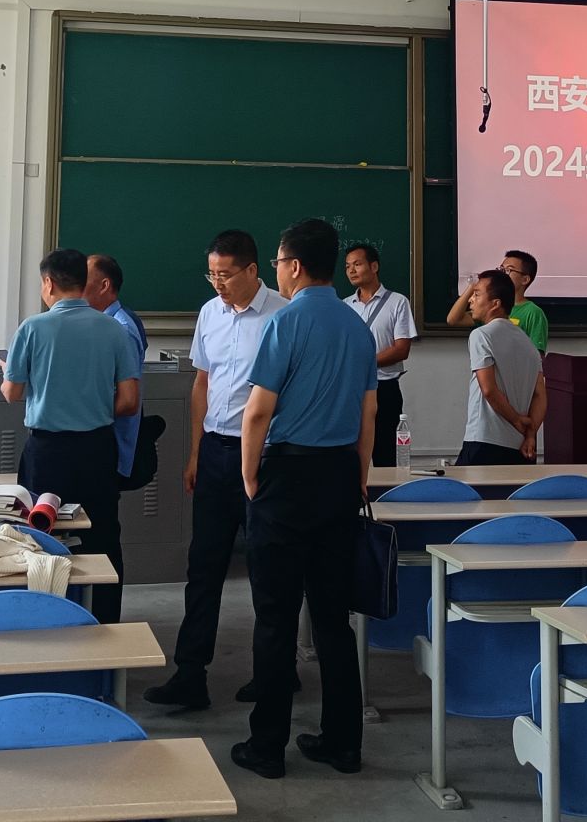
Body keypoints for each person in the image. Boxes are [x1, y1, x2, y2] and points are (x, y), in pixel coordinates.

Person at [230, 218, 377, 781]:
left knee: (275, 617)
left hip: (286, 478)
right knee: (334, 619)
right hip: (339, 476)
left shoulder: (285, 321)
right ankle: (344, 744)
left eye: (277, 262)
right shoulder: (357, 326)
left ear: (293, 265)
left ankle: (267, 747)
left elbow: (258, 412)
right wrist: (359, 475)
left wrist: (250, 477)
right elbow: (369, 413)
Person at [144, 228, 287, 712]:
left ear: (253, 270)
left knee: (267, 569)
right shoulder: (209, 313)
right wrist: (195, 452)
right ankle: (190, 674)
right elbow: (202, 384)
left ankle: (275, 673)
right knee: (203, 566)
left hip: (263, 455)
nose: (218, 283)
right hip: (215, 453)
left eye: (226, 274)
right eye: (212, 274)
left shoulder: (282, 315)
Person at [3, 247, 142, 624]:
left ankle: (44, 621)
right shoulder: (113, 329)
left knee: (41, 537)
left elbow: (12, 392)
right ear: (83, 282)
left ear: (48, 283)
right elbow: (129, 400)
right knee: (102, 538)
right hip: (97, 449)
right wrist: (91, 405)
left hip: (47, 453)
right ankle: (106, 624)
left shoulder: (32, 328)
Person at [458, 268, 545, 466]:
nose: (470, 300)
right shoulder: (528, 344)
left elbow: (488, 389)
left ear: (495, 304)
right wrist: (530, 434)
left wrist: (515, 419)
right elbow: (540, 395)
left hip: (484, 439)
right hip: (519, 445)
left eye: (477, 294)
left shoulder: (481, 335)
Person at [344, 241, 416, 466]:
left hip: (384, 389)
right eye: (347, 266)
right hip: (352, 389)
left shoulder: (397, 302)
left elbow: (401, 349)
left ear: (374, 267)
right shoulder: (344, 306)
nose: (351, 270)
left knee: (386, 456)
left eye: (357, 264)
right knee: (350, 455)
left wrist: (364, 363)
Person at [86, 253, 149, 482]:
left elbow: (127, 401)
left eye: (83, 280)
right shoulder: (100, 324)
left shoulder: (121, 328)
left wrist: (78, 413)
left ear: (104, 285)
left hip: (110, 443)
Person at [447, 248, 549, 351]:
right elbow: (453, 320)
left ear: (525, 279)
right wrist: (473, 285)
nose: (502, 274)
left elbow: (537, 355)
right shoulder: (490, 306)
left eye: (508, 270)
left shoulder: (532, 312)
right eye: (500, 269)